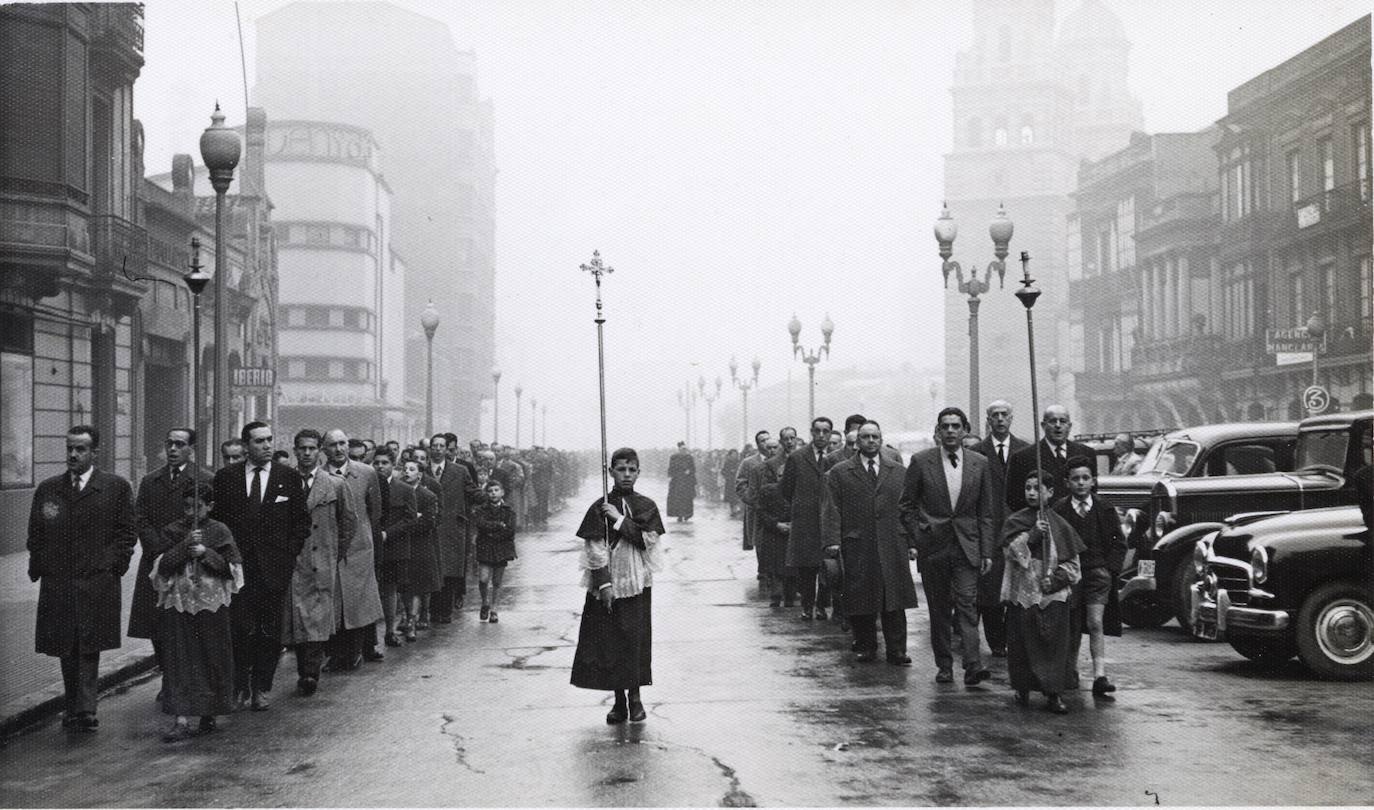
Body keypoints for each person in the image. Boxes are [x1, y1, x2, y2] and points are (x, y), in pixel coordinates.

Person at [27, 425, 137, 731]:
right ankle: (74, 704)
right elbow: (36, 532)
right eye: (70, 448)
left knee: (88, 644)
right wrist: (41, 566)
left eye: (81, 449)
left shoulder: (115, 487)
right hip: (59, 582)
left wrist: (114, 565)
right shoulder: (49, 489)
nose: (73, 455)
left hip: (96, 581)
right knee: (65, 644)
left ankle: (85, 709)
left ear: (95, 453)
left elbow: (127, 533)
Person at [211, 421, 310, 711]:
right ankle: (239, 684)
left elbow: (301, 522)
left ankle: (262, 687)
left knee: (269, 631)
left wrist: (288, 555)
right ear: (245, 446)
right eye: (259, 441)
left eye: (269, 440)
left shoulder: (288, 478)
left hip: (274, 570)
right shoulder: (226, 478)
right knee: (238, 629)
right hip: (237, 569)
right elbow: (218, 522)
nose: (267, 446)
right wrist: (224, 558)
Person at [899, 407, 996, 685]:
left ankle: (973, 664)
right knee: (939, 608)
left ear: (964, 430)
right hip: (934, 547)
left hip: (968, 546)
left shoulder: (979, 463)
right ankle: (944, 665)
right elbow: (906, 506)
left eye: (956, 426)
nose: (951, 431)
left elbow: (986, 511)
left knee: (967, 604)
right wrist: (919, 535)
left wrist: (987, 550)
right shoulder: (921, 461)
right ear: (938, 431)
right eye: (945, 426)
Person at [571, 448, 664, 724]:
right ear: (611, 471)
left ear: (638, 472)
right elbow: (594, 549)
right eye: (621, 469)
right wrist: (604, 585)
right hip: (607, 584)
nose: (626, 475)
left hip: (636, 583)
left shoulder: (646, 505)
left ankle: (635, 698)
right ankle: (618, 701)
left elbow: (647, 540)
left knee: (633, 641)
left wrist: (619, 519)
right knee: (609, 643)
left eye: (631, 470)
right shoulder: (600, 506)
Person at [823, 420, 919, 665]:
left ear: (881, 438)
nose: (871, 441)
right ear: (857, 442)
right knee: (861, 596)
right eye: (865, 437)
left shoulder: (897, 470)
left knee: (893, 598)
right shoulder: (841, 472)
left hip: (891, 542)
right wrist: (833, 541)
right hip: (858, 541)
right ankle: (866, 645)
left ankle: (897, 650)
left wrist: (911, 541)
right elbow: (832, 509)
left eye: (875, 436)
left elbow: (907, 507)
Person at [152, 487, 242, 741]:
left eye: (198, 507)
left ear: (210, 506)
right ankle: (180, 718)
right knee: (180, 658)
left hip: (211, 606)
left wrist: (206, 553)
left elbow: (232, 569)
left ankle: (208, 712)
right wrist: (185, 546)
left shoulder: (220, 530)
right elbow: (162, 566)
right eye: (187, 507)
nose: (191, 512)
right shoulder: (172, 530)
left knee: (211, 655)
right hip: (180, 604)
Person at [130, 428, 212, 692]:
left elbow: (208, 520)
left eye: (180, 444)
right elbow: (140, 518)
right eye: (169, 444)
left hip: (189, 561)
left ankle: (185, 678)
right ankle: (167, 675)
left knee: (186, 621)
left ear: (191, 449)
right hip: (156, 561)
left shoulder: (203, 479)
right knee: (156, 622)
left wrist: (183, 547)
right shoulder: (150, 481)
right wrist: (157, 546)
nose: (173, 449)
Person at [1001, 470, 1085, 714]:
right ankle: (1023, 688)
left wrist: (1057, 580)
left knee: (1053, 645)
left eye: (1037, 488)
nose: (1031, 492)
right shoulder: (1015, 522)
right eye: (1028, 488)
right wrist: (1032, 535)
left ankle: (1053, 693)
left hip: (1051, 596)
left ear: (1050, 493)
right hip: (1023, 594)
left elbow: (1073, 567)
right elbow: (1010, 554)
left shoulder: (1061, 526)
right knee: (1022, 644)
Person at [282, 429, 354, 696]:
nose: (307, 453)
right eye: (302, 449)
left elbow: (348, 523)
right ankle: (305, 669)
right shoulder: (284, 482)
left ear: (319, 451)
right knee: (298, 618)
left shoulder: (334, 484)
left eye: (312, 448)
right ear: (295, 450)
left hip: (322, 561)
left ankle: (310, 673)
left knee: (317, 619)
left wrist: (334, 553)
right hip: (294, 560)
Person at [1056, 456, 1128, 696]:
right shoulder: (1060, 509)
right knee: (1072, 623)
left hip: (1098, 573)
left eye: (1085, 478)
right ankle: (1069, 671)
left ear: (1093, 481)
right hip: (1071, 574)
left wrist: (1110, 569)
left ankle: (1100, 675)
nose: (1081, 483)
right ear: (1067, 482)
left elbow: (1119, 542)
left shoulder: (1104, 508)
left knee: (1095, 622)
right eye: (1075, 479)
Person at [321, 429, 386, 668]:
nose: (338, 449)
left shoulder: (366, 473)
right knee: (335, 602)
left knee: (358, 601)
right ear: (324, 450)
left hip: (360, 546)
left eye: (342, 443)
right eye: (332, 445)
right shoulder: (320, 476)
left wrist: (365, 533)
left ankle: (356, 651)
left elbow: (376, 509)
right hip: (332, 548)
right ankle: (336, 653)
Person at [973, 400, 1030, 657]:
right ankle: (997, 642)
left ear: (1011, 418)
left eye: (1004, 414)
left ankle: (1014, 637)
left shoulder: (1026, 451)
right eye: (994, 415)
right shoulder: (976, 453)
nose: (999, 419)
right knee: (991, 589)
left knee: (1020, 585)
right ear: (988, 420)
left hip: (1021, 528)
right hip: (990, 529)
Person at [781, 416, 834, 620]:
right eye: (817, 431)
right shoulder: (798, 457)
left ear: (830, 433)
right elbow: (786, 489)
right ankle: (807, 606)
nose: (821, 435)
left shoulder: (837, 458)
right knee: (807, 568)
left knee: (829, 567)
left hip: (829, 520)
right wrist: (801, 505)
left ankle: (822, 606)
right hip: (806, 521)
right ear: (811, 433)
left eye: (825, 431)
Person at [1005, 405, 1094, 513]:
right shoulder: (1023, 457)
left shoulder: (1086, 453)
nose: (1058, 425)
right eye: (1053, 421)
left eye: (1062, 421)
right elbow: (1013, 499)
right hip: (1041, 523)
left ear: (1069, 426)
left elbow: (1092, 492)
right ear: (1043, 425)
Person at [429, 433, 477, 622]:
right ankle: (432, 611)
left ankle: (445, 610)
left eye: (442, 446)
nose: (438, 449)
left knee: (449, 570)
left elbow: (472, 490)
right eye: (435, 446)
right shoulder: (423, 471)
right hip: (430, 528)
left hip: (451, 527)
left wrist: (488, 499)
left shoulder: (460, 471)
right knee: (432, 569)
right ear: (430, 449)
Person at [374, 447, 419, 646]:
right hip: (371, 546)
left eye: (385, 463)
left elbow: (410, 519)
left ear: (394, 466)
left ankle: (389, 631)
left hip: (395, 547)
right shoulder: (368, 487)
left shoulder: (405, 490)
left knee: (390, 589)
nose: (380, 467)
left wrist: (387, 533)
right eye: (377, 463)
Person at [399, 457, 441, 640]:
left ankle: (412, 621)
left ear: (420, 475)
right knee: (403, 585)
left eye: (411, 469)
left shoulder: (427, 495)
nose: (407, 472)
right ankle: (408, 617)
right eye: (405, 469)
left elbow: (429, 522)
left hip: (420, 545)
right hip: (401, 544)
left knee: (416, 586)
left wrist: (409, 522)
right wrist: (413, 518)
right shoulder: (398, 493)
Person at [754, 437, 795, 607]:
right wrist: (776, 524)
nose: (782, 479)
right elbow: (761, 512)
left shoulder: (796, 491)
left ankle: (790, 599)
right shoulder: (767, 491)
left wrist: (794, 525)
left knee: (792, 570)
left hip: (792, 535)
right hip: (774, 535)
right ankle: (776, 597)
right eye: (780, 475)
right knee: (776, 569)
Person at [473, 478, 518, 623]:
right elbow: (480, 524)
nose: (493, 493)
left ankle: (494, 608)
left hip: (501, 548)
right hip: (485, 547)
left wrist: (492, 531)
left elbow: (510, 530)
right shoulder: (481, 510)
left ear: (502, 492)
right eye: (490, 491)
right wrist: (499, 525)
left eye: (496, 490)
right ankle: (485, 601)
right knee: (483, 578)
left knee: (497, 581)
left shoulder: (509, 511)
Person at [735, 432, 771, 573]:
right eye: (763, 441)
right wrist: (751, 499)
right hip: (757, 510)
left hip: (777, 510)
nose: (766, 443)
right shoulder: (749, 463)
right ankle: (763, 570)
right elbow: (740, 485)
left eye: (768, 439)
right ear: (757, 444)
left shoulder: (781, 460)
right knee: (760, 540)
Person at [666, 441, 697, 522]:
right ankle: (679, 515)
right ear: (679, 449)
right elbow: (671, 468)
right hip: (677, 481)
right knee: (678, 499)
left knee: (687, 499)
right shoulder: (674, 457)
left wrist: (689, 471)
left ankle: (687, 514)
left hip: (687, 482)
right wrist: (671, 476)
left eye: (685, 449)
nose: (683, 450)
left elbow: (693, 468)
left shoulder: (689, 457)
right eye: (682, 449)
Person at [720, 448, 741, 517]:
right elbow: (723, 471)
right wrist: (729, 474)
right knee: (731, 497)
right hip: (730, 482)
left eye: (735, 454)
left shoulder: (739, 461)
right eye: (733, 454)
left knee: (737, 496)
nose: (734, 455)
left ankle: (736, 509)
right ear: (730, 454)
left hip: (738, 482)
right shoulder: (727, 462)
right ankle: (733, 510)